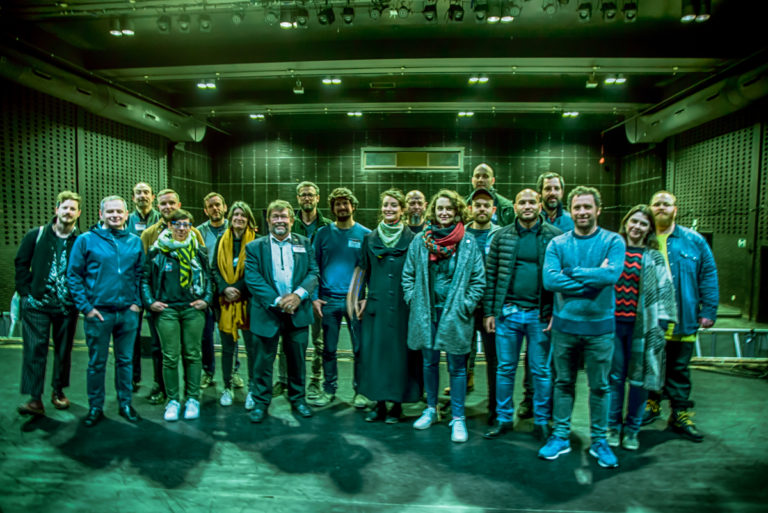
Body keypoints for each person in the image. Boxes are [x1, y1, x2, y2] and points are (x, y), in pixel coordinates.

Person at [539, 186, 625, 469]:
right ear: (571, 210)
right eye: (577, 207)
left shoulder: (613, 241)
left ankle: (599, 440)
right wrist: (593, 280)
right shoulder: (558, 244)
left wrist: (572, 273)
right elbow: (550, 281)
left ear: (598, 209)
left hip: (600, 330)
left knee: (599, 386)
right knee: (563, 383)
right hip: (565, 329)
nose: (582, 212)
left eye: (587, 207)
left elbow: (611, 275)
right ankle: (560, 436)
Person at [402, 189, 486, 443]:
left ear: (457, 211)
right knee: (429, 363)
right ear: (433, 211)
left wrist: (465, 305)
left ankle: (458, 417)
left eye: (449, 208)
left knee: (457, 367)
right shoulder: (421, 241)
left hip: (456, 315)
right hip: (427, 313)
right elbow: (408, 275)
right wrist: (413, 299)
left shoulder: (468, 242)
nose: (444, 212)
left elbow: (478, 280)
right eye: (440, 208)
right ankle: (431, 408)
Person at [482, 188, 562, 441]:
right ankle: (504, 418)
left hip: (541, 316)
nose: (527, 206)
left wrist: (555, 312)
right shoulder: (501, 236)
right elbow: (491, 276)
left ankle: (542, 421)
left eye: (531, 202)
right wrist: (490, 312)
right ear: (514, 207)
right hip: (508, 314)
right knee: (505, 369)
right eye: (522, 202)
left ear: (539, 205)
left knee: (541, 371)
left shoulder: (555, 236)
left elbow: (560, 277)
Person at [643, 190, 719, 442]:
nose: (661, 208)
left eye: (666, 204)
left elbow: (708, 274)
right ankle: (651, 404)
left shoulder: (694, 241)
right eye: (657, 204)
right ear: (650, 209)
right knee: (650, 366)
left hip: (683, 317)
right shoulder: (641, 237)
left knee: (678, 369)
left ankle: (679, 413)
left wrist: (708, 310)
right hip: (650, 320)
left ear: (675, 209)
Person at [67, 196, 144, 427]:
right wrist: (86, 308)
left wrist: (137, 303)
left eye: (119, 211)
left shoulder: (135, 242)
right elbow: (73, 275)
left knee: (125, 361)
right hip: (99, 314)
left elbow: (141, 274)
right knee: (97, 363)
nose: (115, 215)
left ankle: (125, 404)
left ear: (126, 214)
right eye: (110, 212)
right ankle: (95, 407)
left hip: (127, 313)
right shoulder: (85, 240)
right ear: (101, 214)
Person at [608, 205, 677, 450]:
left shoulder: (654, 257)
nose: (637, 227)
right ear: (626, 223)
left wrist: (661, 326)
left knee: (638, 381)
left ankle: (632, 431)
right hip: (613, 326)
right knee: (614, 378)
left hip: (644, 329)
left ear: (649, 229)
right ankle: (612, 427)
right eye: (634, 221)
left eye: (643, 223)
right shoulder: (613, 249)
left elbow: (666, 289)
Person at [245, 200, 318, 422]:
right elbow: (253, 278)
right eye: (275, 216)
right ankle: (261, 402)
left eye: (284, 216)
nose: (280, 220)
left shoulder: (304, 243)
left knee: (297, 360)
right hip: (267, 312)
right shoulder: (255, 247)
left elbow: (313, 272)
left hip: (298, 312)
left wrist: (298, 296)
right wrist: (278, 301)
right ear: (268, 220)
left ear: (292, 220)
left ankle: (298, 399)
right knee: (263, 363)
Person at [354, 189, 422, 423]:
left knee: (400, 356)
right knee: (377, 356)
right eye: (385, 205)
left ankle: (397, 405)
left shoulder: (413, 239)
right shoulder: (369, 239)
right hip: (377, 307)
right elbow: (363, 271)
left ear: (402, 209)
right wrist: (360, 298)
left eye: (394, 205)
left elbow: (418, 273)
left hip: (404, 307)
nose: (389, 209)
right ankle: (379, 404)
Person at [141, 209, 213, 422]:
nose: (182, 229)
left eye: (186, 225)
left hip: (193, 310)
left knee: (192, 355)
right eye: (177, 224)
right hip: (167, 311)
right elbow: (145, 279)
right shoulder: (157, 251)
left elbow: (209, 278)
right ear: (169, 226)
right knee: (170, 357)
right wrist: (150, 302)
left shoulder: (198, 250)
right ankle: (173, 400)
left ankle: (192, 398)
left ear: (190, 227)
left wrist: (206, 299)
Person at [15, 191, 82, 416]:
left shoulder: (81, 240)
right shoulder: (36, 235)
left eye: (73, 208)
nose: (68, 212)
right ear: (57, 210)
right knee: (35, 350)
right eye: (65, 207)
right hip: (37, 304)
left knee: (64, 351)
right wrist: (26, 294)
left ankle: (58, 391)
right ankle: (35, 399)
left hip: (66, 306)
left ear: (78, 213)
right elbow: (21, 263)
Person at [310, 187, 371, 408]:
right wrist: (314, 297)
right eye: (338, 204)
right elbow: (313, 266)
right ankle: (329, 390)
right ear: (333, 208)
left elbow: (370, 268)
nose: (342, 207)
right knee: (328, 349)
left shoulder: (366, 235)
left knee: (359, 349)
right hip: (328, 301)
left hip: (355, 301)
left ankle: (360, 391)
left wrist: (367, 297)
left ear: (353, 206)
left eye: (346, 203)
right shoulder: (322, 234)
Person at [211, 201, 258, 409]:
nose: (239, 218)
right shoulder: (221, 240)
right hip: (225, 303)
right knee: (228, 348)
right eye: (236, 214)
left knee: (252, 348)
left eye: (243, 215)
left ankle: (253, 389)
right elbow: (214, 268)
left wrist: (237, 289)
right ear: (230, 218)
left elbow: (255, 271)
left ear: (249, 219)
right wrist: (224, 288)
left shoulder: (256, 241)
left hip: (248, 302)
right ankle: (227, 387)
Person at [462, 188, 501, 424]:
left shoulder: (501, 235)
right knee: (460, 358)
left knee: (494, 360)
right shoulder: (461, 234)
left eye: (486, 205)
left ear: (493, 209)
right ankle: (458, 408)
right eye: (477, 205)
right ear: (470, 209)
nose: (482, 209)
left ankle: (494, 408)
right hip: (466, 308)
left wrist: (494, 308)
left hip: (490, 310)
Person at [292, 181, 332, 398]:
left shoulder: (328, 226)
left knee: (319, 341)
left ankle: (316, 380)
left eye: (310, 194)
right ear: (298, 198)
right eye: (303, 195)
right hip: (294, 293)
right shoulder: (290, 224)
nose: (307, 198)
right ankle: (287, 380)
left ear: (318, 198)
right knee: (290, 340)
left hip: (318, 293)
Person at [125, 182, 161, 392]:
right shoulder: (126, 220)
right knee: (132, 334)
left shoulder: (161, 219)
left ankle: (159, 381)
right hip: (133, 284)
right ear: (133, 198)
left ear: (152, 197)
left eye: (146, 192)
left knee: (158, 338)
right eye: (138, 192)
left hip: (155, 285)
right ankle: (132, 378)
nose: (142, 196)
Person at [197, 192, 230, 390]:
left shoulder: (233, 228)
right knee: (205, 334)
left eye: (218, 205)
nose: (215, 208)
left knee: (229, 333)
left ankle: (233, 371)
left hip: (227, 288)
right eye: (211, 206)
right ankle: (207, 371)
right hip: (206, 289)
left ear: (225, 207)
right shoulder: (199, 232)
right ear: (205, 210)